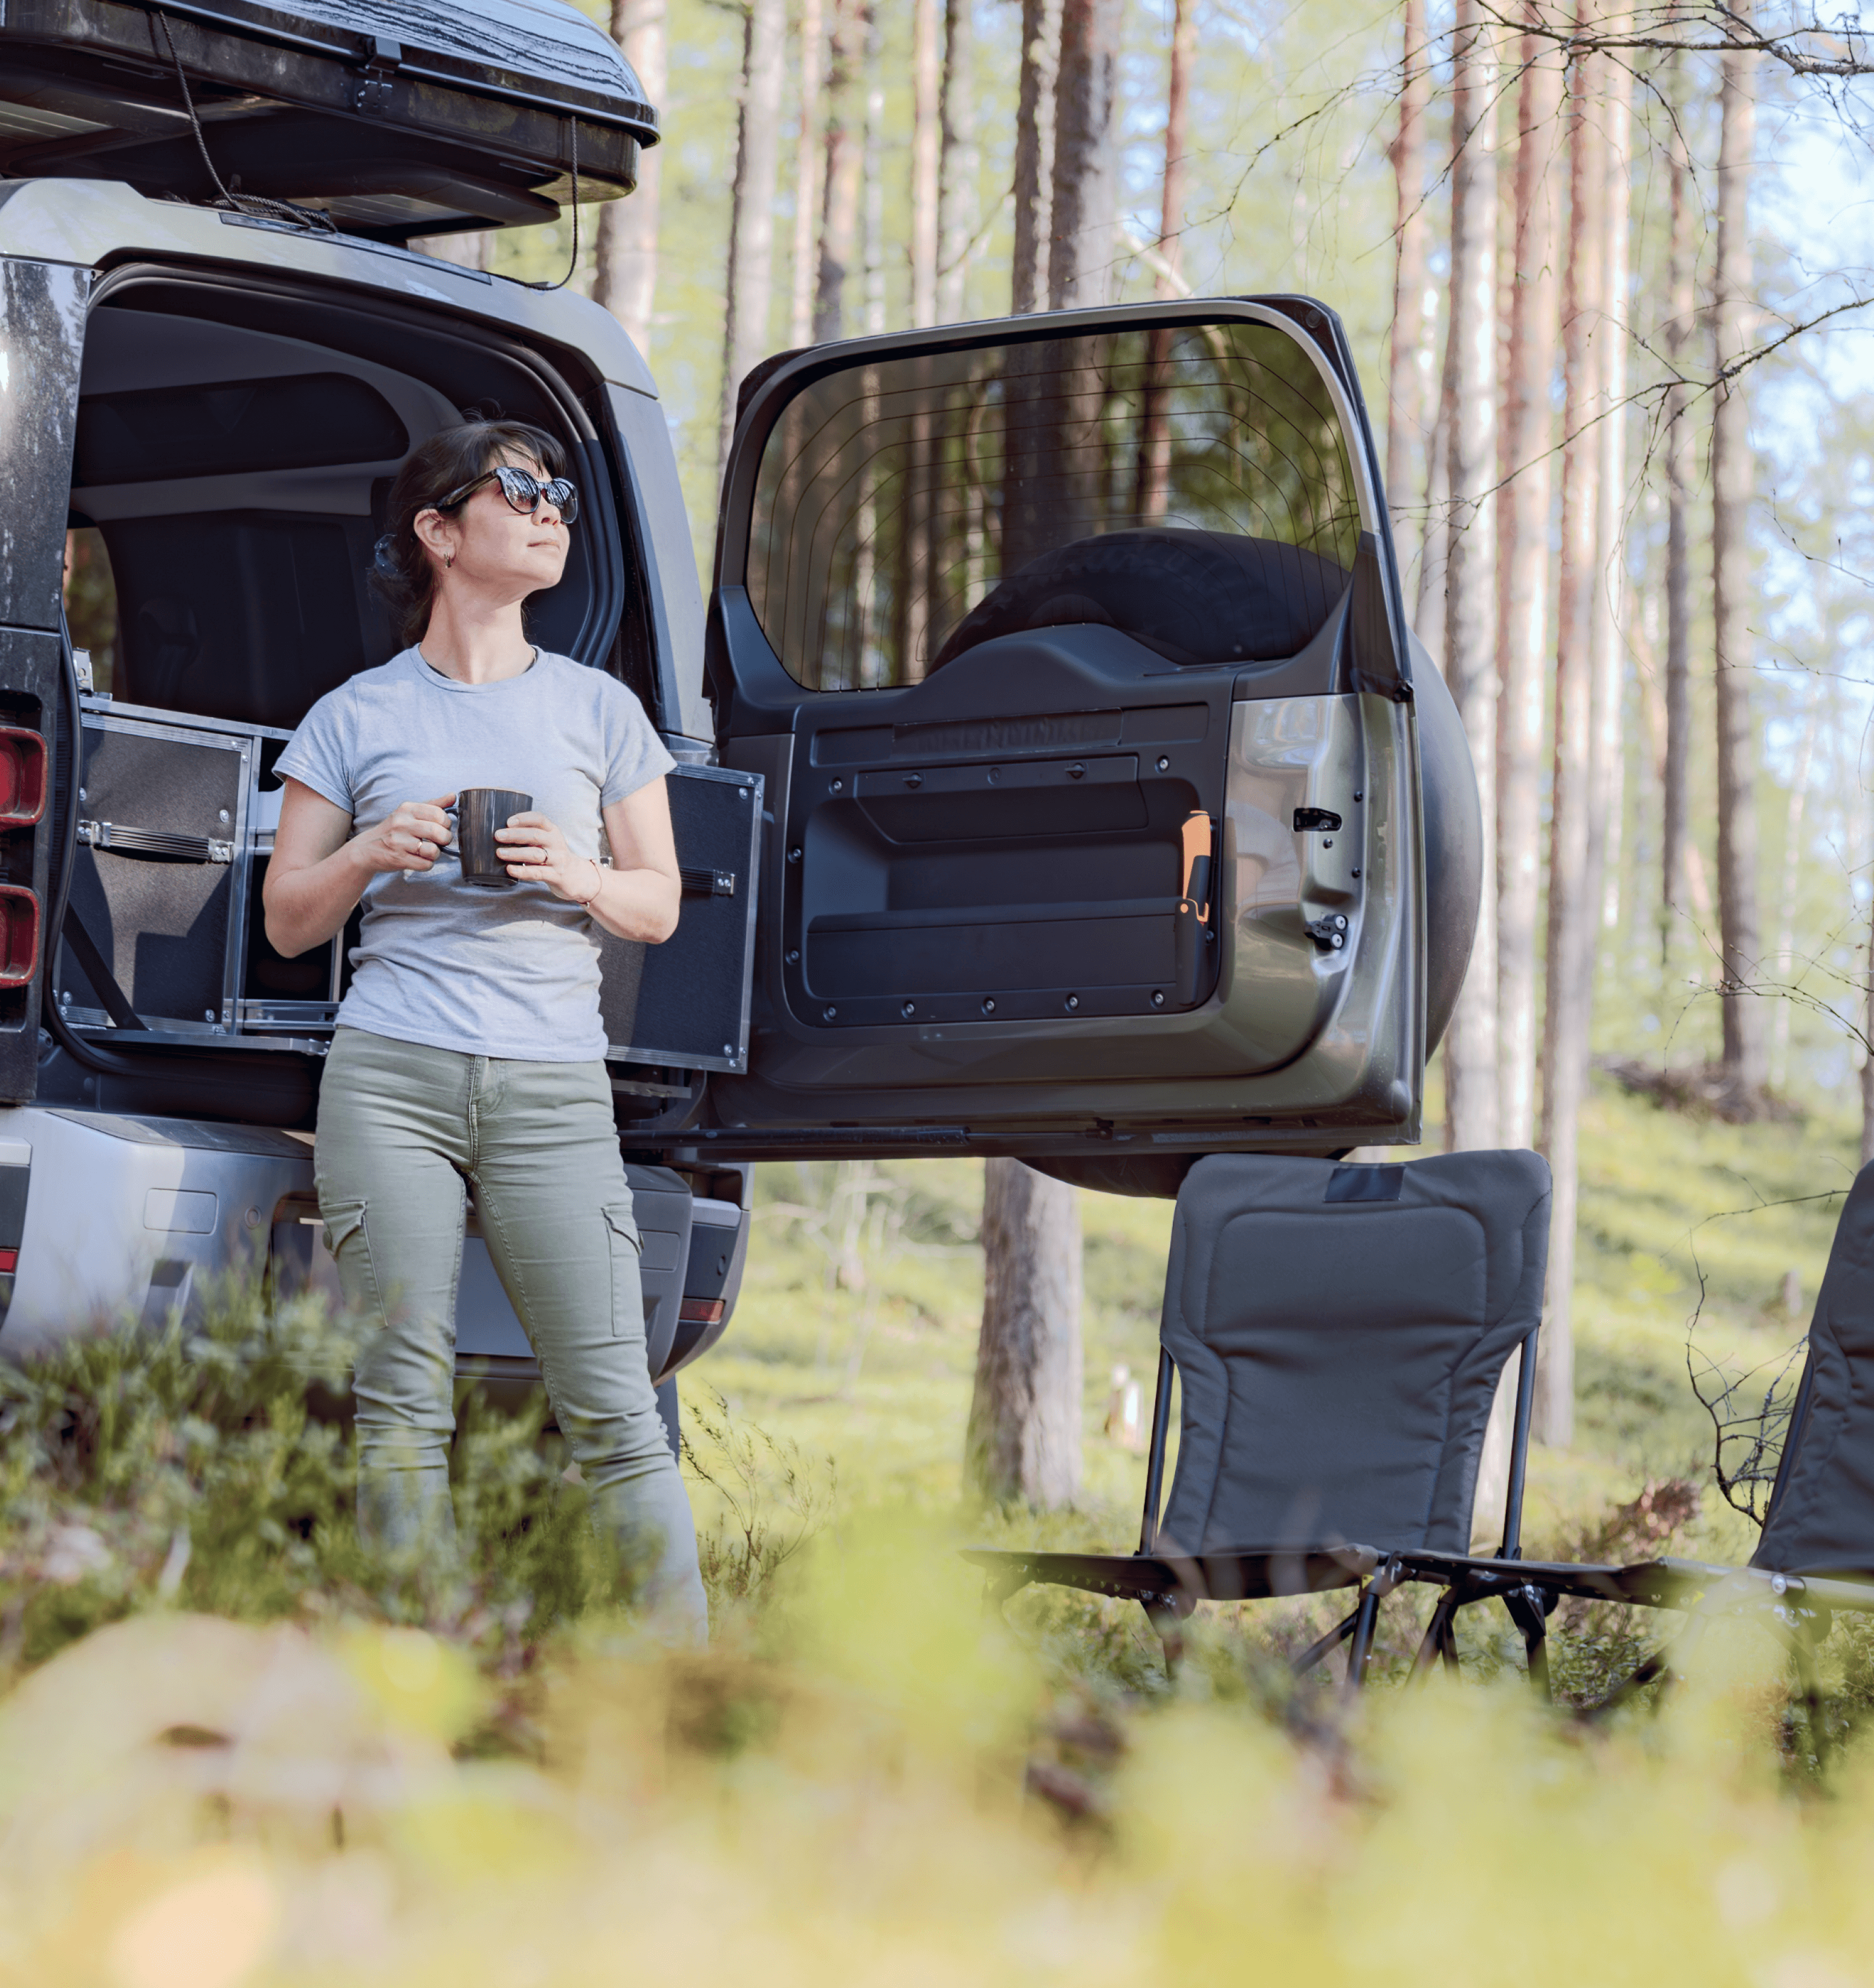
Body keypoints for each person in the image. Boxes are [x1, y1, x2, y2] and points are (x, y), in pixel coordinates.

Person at [264, 417, 705, 1639]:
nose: (549, 506)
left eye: (557, 490)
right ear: (439, 531)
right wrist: (369, 849)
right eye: (517, 487)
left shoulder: (599, 711)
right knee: (399, 1407)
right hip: (389, 1080)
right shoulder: (354, 716)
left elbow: (657, 904)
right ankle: (417, 1685)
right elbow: (291, 921)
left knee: (614, 1406)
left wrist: (575, 876)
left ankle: (690, 1692)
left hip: (551, 1089)